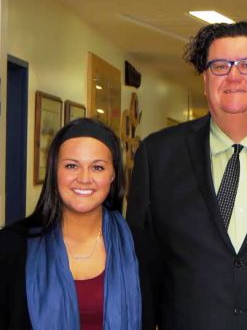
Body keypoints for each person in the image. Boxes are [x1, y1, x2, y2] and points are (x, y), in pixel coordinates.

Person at [126, 21, 247, 329]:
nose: (233, 76)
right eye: (219, 66)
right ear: (205, 80)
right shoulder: (158, 155)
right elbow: (140, 264)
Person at [0, 118, 155, 329]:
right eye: (72, 165)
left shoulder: (142, 249)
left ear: (113, 175)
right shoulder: (11, 247)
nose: (84, 178)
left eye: (98, 167)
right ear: (54, 171)